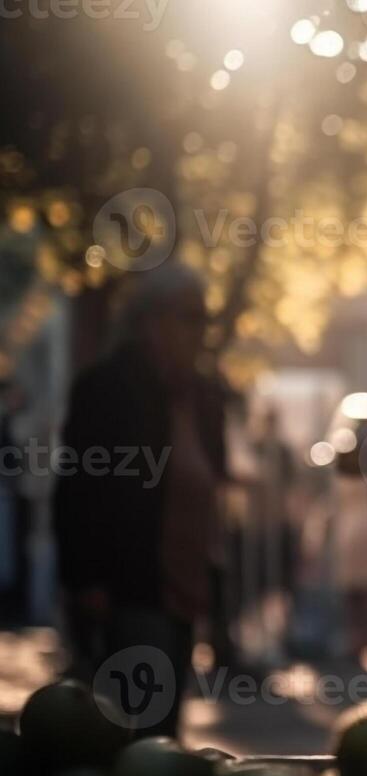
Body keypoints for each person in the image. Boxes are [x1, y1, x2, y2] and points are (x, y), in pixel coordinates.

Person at [55, 261, 227, 737]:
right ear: (151, 321)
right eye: (188, 318)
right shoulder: (108, 388)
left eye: (203, 319)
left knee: (164, 728)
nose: (199, 331)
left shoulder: (203, 394)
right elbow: (79, 492)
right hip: (132, 588)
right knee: (136, 731)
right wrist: (87, 580)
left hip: (183, 588)